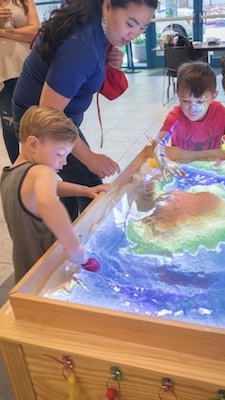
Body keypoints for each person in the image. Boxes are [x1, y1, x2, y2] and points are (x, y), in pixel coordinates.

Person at [12, 0, 158, 220]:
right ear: (107, 6)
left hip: (57, 121)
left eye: (142, 28)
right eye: (130, 23)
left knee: (71, 182)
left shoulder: (93, 22)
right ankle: (69, 245)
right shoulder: (81, 48)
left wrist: (106, 60)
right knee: (91, 187)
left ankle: (64, 239)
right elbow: (49, 115)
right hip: (43, 126)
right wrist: (89, 157)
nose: (134, 35)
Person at [0, 105, 110, 283]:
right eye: (60, 153)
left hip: (25, 269)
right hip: (46, 270)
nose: (64, 161)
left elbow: (51, 188)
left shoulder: (11, 173)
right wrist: (74, 247)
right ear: (33, 144)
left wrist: (85, 190)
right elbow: (48, 201)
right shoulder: (43, 172)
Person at [153, 61, 225, 178]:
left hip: (213, 165)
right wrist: (164, 161)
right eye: (186, 101)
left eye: (200, 102)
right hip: (184, 167)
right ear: (178, 95)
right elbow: (158, 142)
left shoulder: (219, 110)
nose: (192, 109)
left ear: (213, 97)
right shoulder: (175, 117)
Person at [0, 0, 39, 162]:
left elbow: (35, 31)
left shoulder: (24, 1)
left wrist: (2, 32)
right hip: (3, 73)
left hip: (27, 69)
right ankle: (18, 169)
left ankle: (39, 165)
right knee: (10, 124)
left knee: (34, 121)